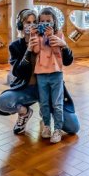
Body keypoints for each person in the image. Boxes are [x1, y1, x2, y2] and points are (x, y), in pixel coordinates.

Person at [0, 8, 80, 137]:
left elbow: (67, 62)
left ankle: (45, 113)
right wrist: (28, 50)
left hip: (50, 88)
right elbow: (19, 73)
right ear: (21, 25)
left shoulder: (49, 38)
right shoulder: (16, 46)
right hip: (28, 89)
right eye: (27, 22)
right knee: (3, 102)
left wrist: (64, 46)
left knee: (73, 127)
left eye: (35, 22)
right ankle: (25, 113)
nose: (31, 25)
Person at [29, 9, 68, 143]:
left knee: (57, 103)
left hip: (56, 73)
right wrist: (33, 35)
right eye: (42, 21)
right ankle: (46, 126)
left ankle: (58, 129)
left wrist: (51, 36)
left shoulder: (59, 34)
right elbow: (35, 50)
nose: (45, 24)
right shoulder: (38, 37)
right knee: (44, 102)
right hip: (41, 73)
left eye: (48, 21)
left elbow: (58, 51)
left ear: (54, 22)